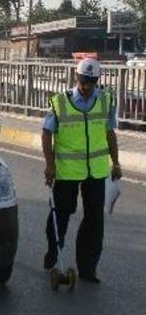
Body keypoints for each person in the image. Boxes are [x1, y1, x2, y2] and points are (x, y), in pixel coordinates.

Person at [42, 58, 122, 283]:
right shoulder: (60, 102)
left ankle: (88, 269)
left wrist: (115, 163)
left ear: (97, 80)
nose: (86, 86)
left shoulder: (106, 100)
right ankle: (53, 252)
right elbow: (46, 133)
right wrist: (50, 164)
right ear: (76, 78)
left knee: (94, 220)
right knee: (60, 214)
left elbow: (110, 133)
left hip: (96, 171)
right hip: (66, 171)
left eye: (91, 81)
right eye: (83, 80)